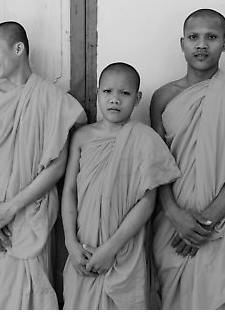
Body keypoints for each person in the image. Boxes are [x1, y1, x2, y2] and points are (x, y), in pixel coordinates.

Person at [150, 9, 225, 309]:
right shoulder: (164, 97)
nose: (201, 45)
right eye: (194, 37)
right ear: (182, 43)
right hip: (173, 221)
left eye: (211, 37)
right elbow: (156, 163)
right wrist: (175, 214)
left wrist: (207, 220)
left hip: (223, 221)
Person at [0, 21, 86, 309]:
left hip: (29, 212)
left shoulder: (51, 98)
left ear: (18, 49)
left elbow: (57, 167)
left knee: (32, 297)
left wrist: (11, 208)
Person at [62, 63, 181, 309]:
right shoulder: (82, 137)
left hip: (124, 250)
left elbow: (147, 202)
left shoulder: (145, 138)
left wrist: (110, 249)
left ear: (137, 98)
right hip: (82, 249)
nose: (114, 100)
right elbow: (70, 192)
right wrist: (70, 243)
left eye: (124, 94)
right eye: (107, 92)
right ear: (98, 93)